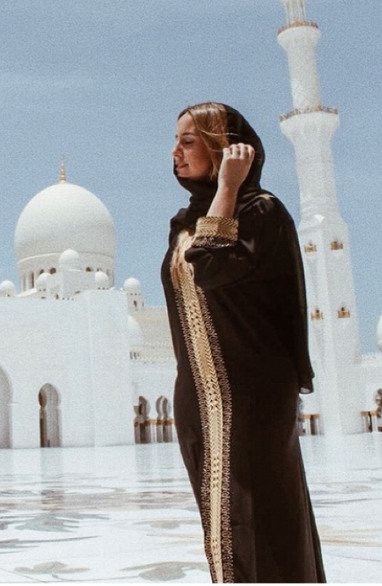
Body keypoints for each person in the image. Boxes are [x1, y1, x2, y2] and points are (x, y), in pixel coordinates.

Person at [161, 102, 325, 583]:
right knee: (220, 527)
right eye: (175, 142)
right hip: (197, 398)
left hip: (253, 396)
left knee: (266, 523)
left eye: (188, 141)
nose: (174, 152)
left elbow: (210, 267)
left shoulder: (261, 212)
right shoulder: (184, 223)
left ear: (224, 148)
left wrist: (230, 186)